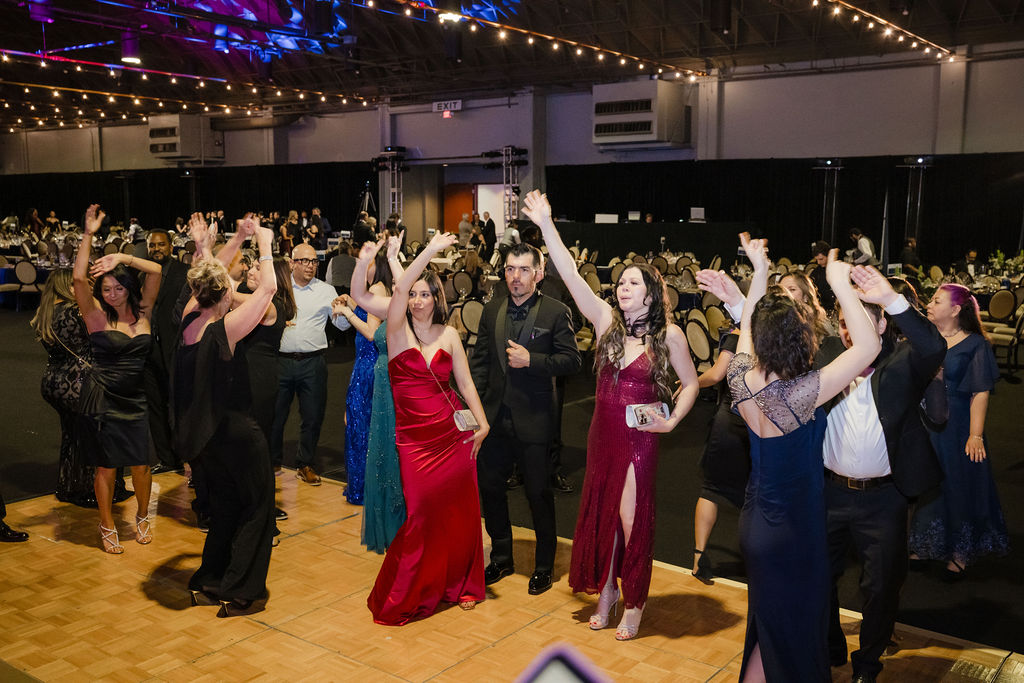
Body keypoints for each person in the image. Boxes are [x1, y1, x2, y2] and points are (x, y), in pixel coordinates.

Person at [521, 190, 700, 641]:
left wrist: (671, 420)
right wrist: (546, 224)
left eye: (633, 283)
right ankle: (607, 591)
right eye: (621, 282)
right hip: (602, 434)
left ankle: (635, 600)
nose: (623, 287)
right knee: (603, 516)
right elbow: (569, 272)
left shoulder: (670, 335)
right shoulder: (605, 322)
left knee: (631, 519)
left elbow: (693, 384)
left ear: (652, 293)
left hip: (639, 440)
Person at [714, 233, 880, 682]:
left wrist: (760, 274)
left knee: (771, 629)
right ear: (798, 337)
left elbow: (747, 327)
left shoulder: (741, 378)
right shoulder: (798, 394)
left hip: (757, 524)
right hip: (793, 532)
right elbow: (868, 348)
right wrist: (839, 283)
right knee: (792, 632)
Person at [823, 268, 946, 683]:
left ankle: (868, 665)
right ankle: (830, 646)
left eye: (858, 320)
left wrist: (891, 298)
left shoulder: (904, 360)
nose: (848, 331)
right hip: (828, 493)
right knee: (820, 576)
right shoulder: (827, 356)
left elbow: (934, 345)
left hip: (884, 498)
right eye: (843, 322)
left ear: (879, 325)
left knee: (880, 588)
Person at [367, 231, 489, 625]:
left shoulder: (450, 334)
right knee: (420, 514)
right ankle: (411, 590)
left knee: (460, 513)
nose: (418, 300)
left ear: (437, 298)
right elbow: (400, 287)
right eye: (414, 295)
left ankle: (462, 584)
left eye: (426, 294)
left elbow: (465, 384)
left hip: (454, 436)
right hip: (415, 443)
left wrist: (483, 423)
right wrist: (429, 251)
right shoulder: (396, 331)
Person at [173, 218, 279, 617]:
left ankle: (210, 579)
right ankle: (241, 591)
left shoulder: (188, 318)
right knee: (257, 508)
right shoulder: (226, 331)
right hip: (238, 435)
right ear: (226, 293)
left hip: (207, 441)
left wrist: (208, 246)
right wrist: (265, 243)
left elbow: (209, 279)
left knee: (225, 509)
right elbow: (268, 290)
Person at [470, 242, 582, 596]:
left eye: (523, 269)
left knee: (537, 493)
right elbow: (480, 363)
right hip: (494, 418)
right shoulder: (492, 309)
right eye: (509, 269)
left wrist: (532, 360)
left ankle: (544, 566)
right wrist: (475, 412)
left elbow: (572, 360)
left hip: (535, 420)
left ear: (538, 273)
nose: (515, 276)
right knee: (490, 489)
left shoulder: (555, 311)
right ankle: (502, 557)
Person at [73, 204, 164, 554]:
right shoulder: (96, 316)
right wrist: (88, 234)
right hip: (104, 399)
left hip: (136, 398)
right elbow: (79, 279)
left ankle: (142, 515)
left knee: (141, 464)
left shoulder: (144, 311)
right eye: (106, 289)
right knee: (107, 467)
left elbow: (156, 269)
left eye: (118, 289)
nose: (111, 295)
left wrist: (122, 258)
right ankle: (107, 523)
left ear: (129, 287)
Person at [908, 284, 1010, 577]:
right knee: (928, 485)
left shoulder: (975, 345)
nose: (929, 304)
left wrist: (975, 435)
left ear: (954, 310)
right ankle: (926, 543)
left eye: (936, 301)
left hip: (957, 426)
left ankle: (959, 550)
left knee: (957, 483)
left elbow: (980, 392)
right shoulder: (926, 338)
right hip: (925, 421)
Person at [32, 269, 130, 508]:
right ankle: (95, 490)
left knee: (72, 436)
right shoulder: (77, 311)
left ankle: (70, 486)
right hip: (82, 382)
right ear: (69, 285)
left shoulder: (45, 311)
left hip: (54, 383)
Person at [271, 243, 352, 485]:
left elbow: (341, 327)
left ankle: (305, 463)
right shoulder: (279, 288)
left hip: (313, 363)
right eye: (304, 261)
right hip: (281, 361)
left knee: (313, 416)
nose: (310, 265)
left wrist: (344, 310)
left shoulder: (326, 290)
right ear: (292, 263)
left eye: (314, 261)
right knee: (275, 415)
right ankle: (272, 461)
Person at [348, 236, 406, 553]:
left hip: (391, 380)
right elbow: (359, 295)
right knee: (374, 442)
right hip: (376, 376)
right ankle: (378, 502)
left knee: (389, 445)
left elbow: (372, 332)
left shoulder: (394, 299)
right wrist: (361, 261)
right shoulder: (381, 298)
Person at [331, 248, 392, 506]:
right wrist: (352, 302)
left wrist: (347, 313)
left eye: (366, 263)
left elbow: (371, 332)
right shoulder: (380, 289)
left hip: (367, 367)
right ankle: (368, 486)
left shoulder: (377, 289)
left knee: (359, 427)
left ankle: (362, 488)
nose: (362, 267)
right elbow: (370, 315)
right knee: (365, 425)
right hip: (367, 365)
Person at [689, 324, 749, 584]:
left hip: (729, 420)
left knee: (711, 490)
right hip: (761, 423)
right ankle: (756, 562)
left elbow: (715, 375)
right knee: (754, 496)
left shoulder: (738, 336)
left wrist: (690, 384)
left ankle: (698, 558)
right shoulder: (775, 334)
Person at [143, 228, 190, 474]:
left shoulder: (184, 272)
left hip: (177, 348)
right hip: (148, 350)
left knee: (180, 405)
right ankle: (166, 458)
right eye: (152, 246)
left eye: (161, 245)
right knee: (155, 405)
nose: (156, 249)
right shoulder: (141, 273)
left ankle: (187, 457)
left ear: (171, 247)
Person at [810, 241, 836, 311]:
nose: (818, 262)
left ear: (829, 255)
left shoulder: (838, 269)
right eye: (817, 260)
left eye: (821, 259)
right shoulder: (815, 273)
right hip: (824, 309)